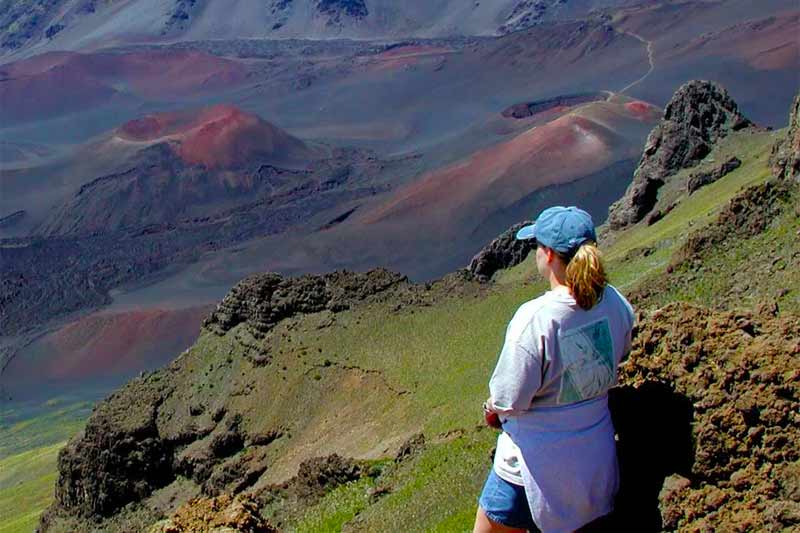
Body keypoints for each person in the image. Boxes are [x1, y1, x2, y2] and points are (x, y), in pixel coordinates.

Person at [474, 206, 635, 533]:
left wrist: (491, 410)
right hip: (596, 463)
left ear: (547, 255)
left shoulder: (536, 319)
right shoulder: (616, 303)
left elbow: (509, 399)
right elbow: (622, 353)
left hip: (532, 472)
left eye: (537, 247)